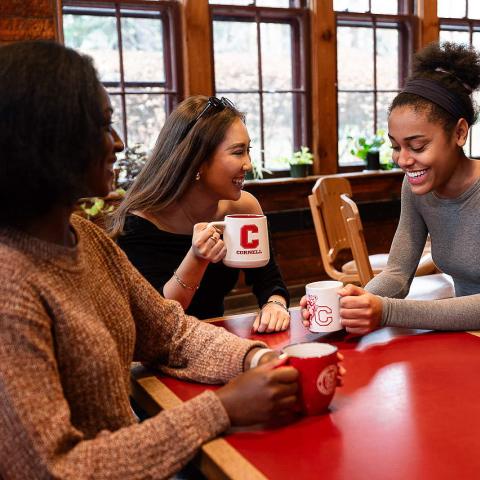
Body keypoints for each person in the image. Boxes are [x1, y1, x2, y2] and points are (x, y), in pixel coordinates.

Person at [0, 40, 301, 479]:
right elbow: (54, 468)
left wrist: (255, 360)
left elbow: (172, 332)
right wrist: (220, 408)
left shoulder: (84, 237)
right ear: (48, 140)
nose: (118, 144)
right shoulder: (10, 286)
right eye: (103, 127)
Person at [301, 42, 480, 334]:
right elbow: (397, 274)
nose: (404, 160)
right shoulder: (414, 188)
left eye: (418, 146)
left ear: (460, 132)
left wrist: (387, 311)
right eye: (395, 146)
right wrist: (351, 302)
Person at [109, 95, 290, 333]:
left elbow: (269, 282)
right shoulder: (139, 223)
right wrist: (196, 258)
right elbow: (159, 321)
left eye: (249, 151)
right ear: (197, 162)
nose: (248, 164)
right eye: (238, 152)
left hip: (217, 339)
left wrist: (275, 305)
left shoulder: (243, 209)